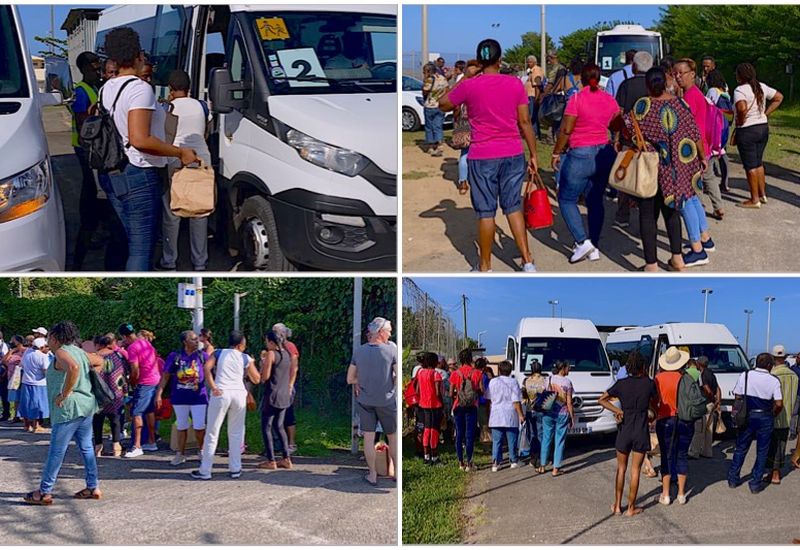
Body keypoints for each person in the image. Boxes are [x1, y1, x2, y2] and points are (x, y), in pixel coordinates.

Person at [100, 27, 198, 271]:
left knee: (125, 238)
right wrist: (180, 152)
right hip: (138, 173)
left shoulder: (106, 88)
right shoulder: (139, 89)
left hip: (112, 171)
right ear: (138, 54)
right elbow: (140, 139)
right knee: (141, 248)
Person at [439, 39, 539, 273]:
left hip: (483, 154)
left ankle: (485, 266)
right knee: (513, 206)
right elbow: (525, 122)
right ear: (499, 59)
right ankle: (527, 261)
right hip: (513, 152)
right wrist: (533, 154)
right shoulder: (515, 84)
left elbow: (442, 103)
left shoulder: (470, 85)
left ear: (479, 61)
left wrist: (465, 77)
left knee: (486, 212)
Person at [620, 67, 707, 272]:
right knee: (672, 213)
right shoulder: (681, 104)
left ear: (648, 85)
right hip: (674, 171)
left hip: (649, 169)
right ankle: (677, 259)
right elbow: (694, 134)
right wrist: (702, 158)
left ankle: (651, 264)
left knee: (647, 215)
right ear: (667, 83)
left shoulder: (642, 106)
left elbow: (627, 128)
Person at [23, 322, 100, 505]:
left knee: (57, 451)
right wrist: (87, 381)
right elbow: (99, 361)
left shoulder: (61, 352)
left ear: (56, 338)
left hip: (68, 409)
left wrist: (65, 393)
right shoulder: (79, 351)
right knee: (87, 448)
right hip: (86, 406)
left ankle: (44, 491)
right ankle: (92, 486)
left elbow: (73, 368)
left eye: (49, 336)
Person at [551, 63, 619, 264]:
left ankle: (582, 242)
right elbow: (616, 123)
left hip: (580, 153)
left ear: (581, 78)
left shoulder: (577, 99)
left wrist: (556, 152)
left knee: (566, 198)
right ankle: (594, 245)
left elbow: (566, 129)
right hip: (603, 153)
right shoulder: (609, 99)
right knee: (595, 199)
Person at [158, 70, 212, 271]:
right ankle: (200, 263)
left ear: (170, 89)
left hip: (175, 159)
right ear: (189, 88)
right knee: (199, 211)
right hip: (201, 159)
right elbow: (206, 130)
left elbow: (164, 134)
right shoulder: (202, 106)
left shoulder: (166, 107)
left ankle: (169, 261)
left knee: (172, 213)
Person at [192, 331, 260, 480]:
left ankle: (205, 470)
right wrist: (253, 362)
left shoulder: (218, 353)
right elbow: (256, 379)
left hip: (221, 393)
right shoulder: (245, 358)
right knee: (236, 433)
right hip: (238, 394)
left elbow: (206, 368)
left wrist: (213, 386)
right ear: (240, 345)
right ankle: (235, 469)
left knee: (212, 432)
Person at [598, 351, 655, 516]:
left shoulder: (621, 383)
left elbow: (601, 399)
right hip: (641, 428)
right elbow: (654, 404)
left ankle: (617, 506)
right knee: (635, 470)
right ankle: (631, 507)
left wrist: (617, 411)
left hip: (625, 428)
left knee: (621, 469)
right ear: (643, 366)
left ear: (628, 366)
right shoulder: (649, 383)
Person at [347, 317, 397, 486]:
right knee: (393, 437)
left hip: (365, 401)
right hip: (387, 401)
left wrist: (359, 381)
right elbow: (396, 377)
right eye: (388, 331)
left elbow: (349, 379)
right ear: (381, 332)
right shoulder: (391, 352)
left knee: (369, 438)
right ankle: (396, 473)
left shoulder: (359, 351)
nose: (390, 334)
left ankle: (372, 474)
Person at [673, 58, 724, 222]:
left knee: (695, 183)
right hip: (704, 143)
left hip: (696, 146)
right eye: (675, 74)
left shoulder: (690, 96)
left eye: (682, 73)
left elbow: (688, 126)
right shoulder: (696, 93)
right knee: (708, 177)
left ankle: (699, 213)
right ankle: (718, 207)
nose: (678, 77)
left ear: (692, 74)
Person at [728, 353, 783, 493]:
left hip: (748, 415)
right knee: (762, 451)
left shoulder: (745, 375)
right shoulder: (774, 380)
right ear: (770, 366)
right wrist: (773, 413)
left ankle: (733, 479)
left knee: (741, 448)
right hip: (765, 416)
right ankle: (755, 483)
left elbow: (738, 395)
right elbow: (779, 403)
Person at [732, 63, 783, 208]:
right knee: (758, 162)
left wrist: (740, 121)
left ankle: (754, 199)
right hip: (762, 127)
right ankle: (762, 194)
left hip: (747, 129)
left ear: (740, 76)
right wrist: (765, 113)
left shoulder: (740, 90)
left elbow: (741, 108)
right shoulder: (761, 86)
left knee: (750, 165)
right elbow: (779, 97)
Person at [70, 51, 103, 270]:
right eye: (93, 68)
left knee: (92, 190)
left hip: (91, 148)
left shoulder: (94, 88)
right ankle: (87, 232)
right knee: (90, 191)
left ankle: (92, 230)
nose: (97, 71)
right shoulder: (82, 91)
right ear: (83, 69)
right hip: (85, 148)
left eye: (98, 67)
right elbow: (84, 123)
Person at [613, 51, 654, 228]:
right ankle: (647, 212)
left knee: (625, 174)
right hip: (650, 139)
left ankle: (623, 215)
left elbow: (619, 113)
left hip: (629, 138)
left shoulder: (626, 85)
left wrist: (616, 137)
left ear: (634, 67)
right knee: (649, 173)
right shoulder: (654, 85)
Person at [157, 330, 208, 466]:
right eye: (193, 339)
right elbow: (166, 376)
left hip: (199, 397)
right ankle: (180, 454)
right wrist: (159, 394)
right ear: (185, 342)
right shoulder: (175, 356)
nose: (197, 341)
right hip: (180, 397)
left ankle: (202, 451)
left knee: (199, 426)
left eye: (197, 339)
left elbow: (211, 373)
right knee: (182, 425)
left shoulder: (203, 356)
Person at [653, 346, 695, 505]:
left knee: (666, 456)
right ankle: (682, 494)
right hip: (685, 420)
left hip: (665, 420)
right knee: (682, 455)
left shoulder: (658, 378)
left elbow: (654, 402)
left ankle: (665, 494)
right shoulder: (687, 378)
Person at [257, 330, 298, 470]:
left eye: (267, 341)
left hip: (272, 394)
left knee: (266, 427)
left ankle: (271, 460)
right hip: (284, 395)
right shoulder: (287, 354)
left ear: (272, 342)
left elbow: (265, 377)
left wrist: (262, 364)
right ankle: (286, 459)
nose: (266, 343)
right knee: (279, 426)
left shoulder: (271, 354)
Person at [119, 323, 161, 457]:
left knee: (136, 412)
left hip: (145, 382)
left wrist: (132, 382)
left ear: (124, 336)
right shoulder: (145, 343)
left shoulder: (132, 348)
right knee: (149, 411)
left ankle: (137, 446)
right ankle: (151, 441)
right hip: (155, 379)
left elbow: (135, 369)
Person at [91, 335, 129, 457]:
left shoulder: (94, 356)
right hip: (115, 392)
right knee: (115, 419)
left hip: (98, 393)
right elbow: (123, 374)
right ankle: (116, 446)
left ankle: (98, 447)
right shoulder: (118, 356)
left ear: (99, 344)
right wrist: (125, 390)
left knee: (97, 419)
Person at [765, 347, 798, 484]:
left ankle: (774, 473)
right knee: (781, 445)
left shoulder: (772, 375)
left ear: (773, 358)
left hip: (774, 415)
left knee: (771, 445)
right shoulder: (794, 376)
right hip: (788, 416)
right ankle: (776, 473)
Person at [485, 360, 524, 471]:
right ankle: (513, 460)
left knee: (497, 441)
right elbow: (516, 401)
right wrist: (521, 415)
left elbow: (488, 399)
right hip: (510, 414)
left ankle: (496, 463)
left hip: (496, 413)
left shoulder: (492, 382)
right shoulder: (513, 382)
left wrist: (488, 413)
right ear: (510, 370)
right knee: (512, 439)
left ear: (499, 370)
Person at [449, 348, 483, 471]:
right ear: (470, 359)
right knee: (470, 435)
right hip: (472, 406)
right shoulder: (477, 373)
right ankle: (470, 463)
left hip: (458, 406)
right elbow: (481, 390)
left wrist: (458, 394)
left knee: (459, 434)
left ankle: (460, 463)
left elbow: (450, 393)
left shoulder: (455, 373)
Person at [539, 360, 574, 476]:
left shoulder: (548, 379)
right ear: (563, 368)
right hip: (562, 414)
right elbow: (569, 402)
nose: (569, 369)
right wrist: (572, 417)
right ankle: (555, 469)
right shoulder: (568, 383)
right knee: (559, 441)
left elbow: (541, 393)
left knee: (546, 438)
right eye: (568, 367)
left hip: (548, 412)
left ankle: (542, 466)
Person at [453, 59, 481, 196]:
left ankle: (463, 182)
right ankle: (474, 181)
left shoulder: (464, 83)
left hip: (464, 119)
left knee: (465, 152)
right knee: (478, 151)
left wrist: (456, 118)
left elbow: (454, 102)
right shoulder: (481, 83)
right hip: (479, 121)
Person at [272, 322, 299, 453]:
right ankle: (278, 443)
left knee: (288, 413)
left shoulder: (290, 346)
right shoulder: (274, 347)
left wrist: (290, 384)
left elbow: (294, 366)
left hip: (286, 384)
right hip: (277, 384)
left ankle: (291, 443)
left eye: (275, 331)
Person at [705, 69, 732, 192]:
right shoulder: (725, 89)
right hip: (725, 124)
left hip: (715, 125)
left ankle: (708, 183)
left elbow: (707, 106)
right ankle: (725, 182)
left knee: (710, 154)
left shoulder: (712, 91)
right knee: (722, 152)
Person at [688, 356, 720, 459]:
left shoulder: (703, 374)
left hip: (705, 403)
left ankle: (694, 452)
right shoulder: (711, 373)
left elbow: (707, 388)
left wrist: (710, 396)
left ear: (699, 364)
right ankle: (707, 451)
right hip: (711, 404)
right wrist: (717, 400)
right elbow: (718, 388)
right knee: (708, 429)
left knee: (699, 429)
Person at [415, 351, 443, 465]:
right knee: (434, 430)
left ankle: (426, 456)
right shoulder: (436, 374)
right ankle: (435, 456)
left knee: (426, 430)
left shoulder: (420, 373)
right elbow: (437, 392)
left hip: (423, 405)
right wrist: (442, 403)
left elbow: (417, 390)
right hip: (435, 405)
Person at [19, 337, 50, 433]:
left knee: (25, 404)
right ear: (41, 347)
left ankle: (26, 425)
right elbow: (46, 370)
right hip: (39, 383)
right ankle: (36, 426)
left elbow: (22, 365)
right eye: (46, 346)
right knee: (37, 404)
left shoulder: (27, 353)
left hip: (26, 381)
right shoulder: (42, 356)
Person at [522, 359, 547, 468]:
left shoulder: (526, 381)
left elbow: (523, 397)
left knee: (532, 434)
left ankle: (533, 458)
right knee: (541, 434)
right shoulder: (545, 380)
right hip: (541, 410)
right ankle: (542, 457)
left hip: (529, 410)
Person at [422, 62, 448, 157]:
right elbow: (447, 89)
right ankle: (440, 145)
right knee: (438, 126)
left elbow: (425, 91)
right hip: (440, 105)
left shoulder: (429, 80)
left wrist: (425, 80)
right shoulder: (442, 78)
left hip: (430, 105)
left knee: (429, 126)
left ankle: (431, 146)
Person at [4, 336, 27, 423]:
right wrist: (11, 351)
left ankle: (23, 416)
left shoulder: (25, 351)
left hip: (21, 376)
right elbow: (4, 361)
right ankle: (16, 416)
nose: (11, 342)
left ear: (18, 342)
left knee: (22, 397)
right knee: (15, 398)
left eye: (12, 340)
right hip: (12, 378)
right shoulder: (13, 352)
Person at [522, 55, 544, 140]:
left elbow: (537, 85)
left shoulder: (536, 70)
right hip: (529, 95)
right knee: (531, 115)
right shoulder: (530, 71)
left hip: (533, 95)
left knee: (532, 115)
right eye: (528, 61)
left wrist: (537, 97)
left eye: (530, 61)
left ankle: (535, 133)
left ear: (535, 62)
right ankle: (535, 132)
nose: (528, 63)